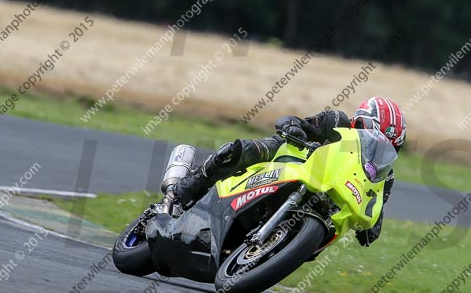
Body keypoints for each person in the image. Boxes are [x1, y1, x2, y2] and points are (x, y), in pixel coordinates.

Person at [173, 97, 406, 246]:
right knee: (240, 151)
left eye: (388, 147)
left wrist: (371, 226)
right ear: (359, 124)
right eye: (375, 138)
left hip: (328, 200)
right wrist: (293, 128)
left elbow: (375, 208)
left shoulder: (385, 176)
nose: (379, 148)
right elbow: (295, 122)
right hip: (293, 160)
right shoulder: (336, 121)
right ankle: (187, 188)